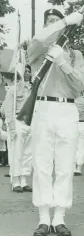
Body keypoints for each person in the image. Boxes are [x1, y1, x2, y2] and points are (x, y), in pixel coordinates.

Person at [27, 8, 84, 236]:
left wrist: (63, 62)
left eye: (58, 21)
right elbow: (41, 37)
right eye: (50, 21)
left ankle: (59, 217)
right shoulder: (37, 49)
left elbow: (81, 85)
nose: (55, 25)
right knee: (41, 166)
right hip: (43, 107)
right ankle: (43, 218)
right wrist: (65, 20)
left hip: (67, 110)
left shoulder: (76, 55)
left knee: (64, 167)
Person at [2, 63, 32, 192]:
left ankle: (24, 180)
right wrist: (12, 126)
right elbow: (8, 109)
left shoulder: (34, 89)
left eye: (28, 71)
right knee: (16, 152)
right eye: (24, 71)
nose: (26, 73)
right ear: (19, 74)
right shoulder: (13, 89)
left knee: (28, 153)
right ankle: (15, 181)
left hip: (30, 121)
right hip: (17, 120)